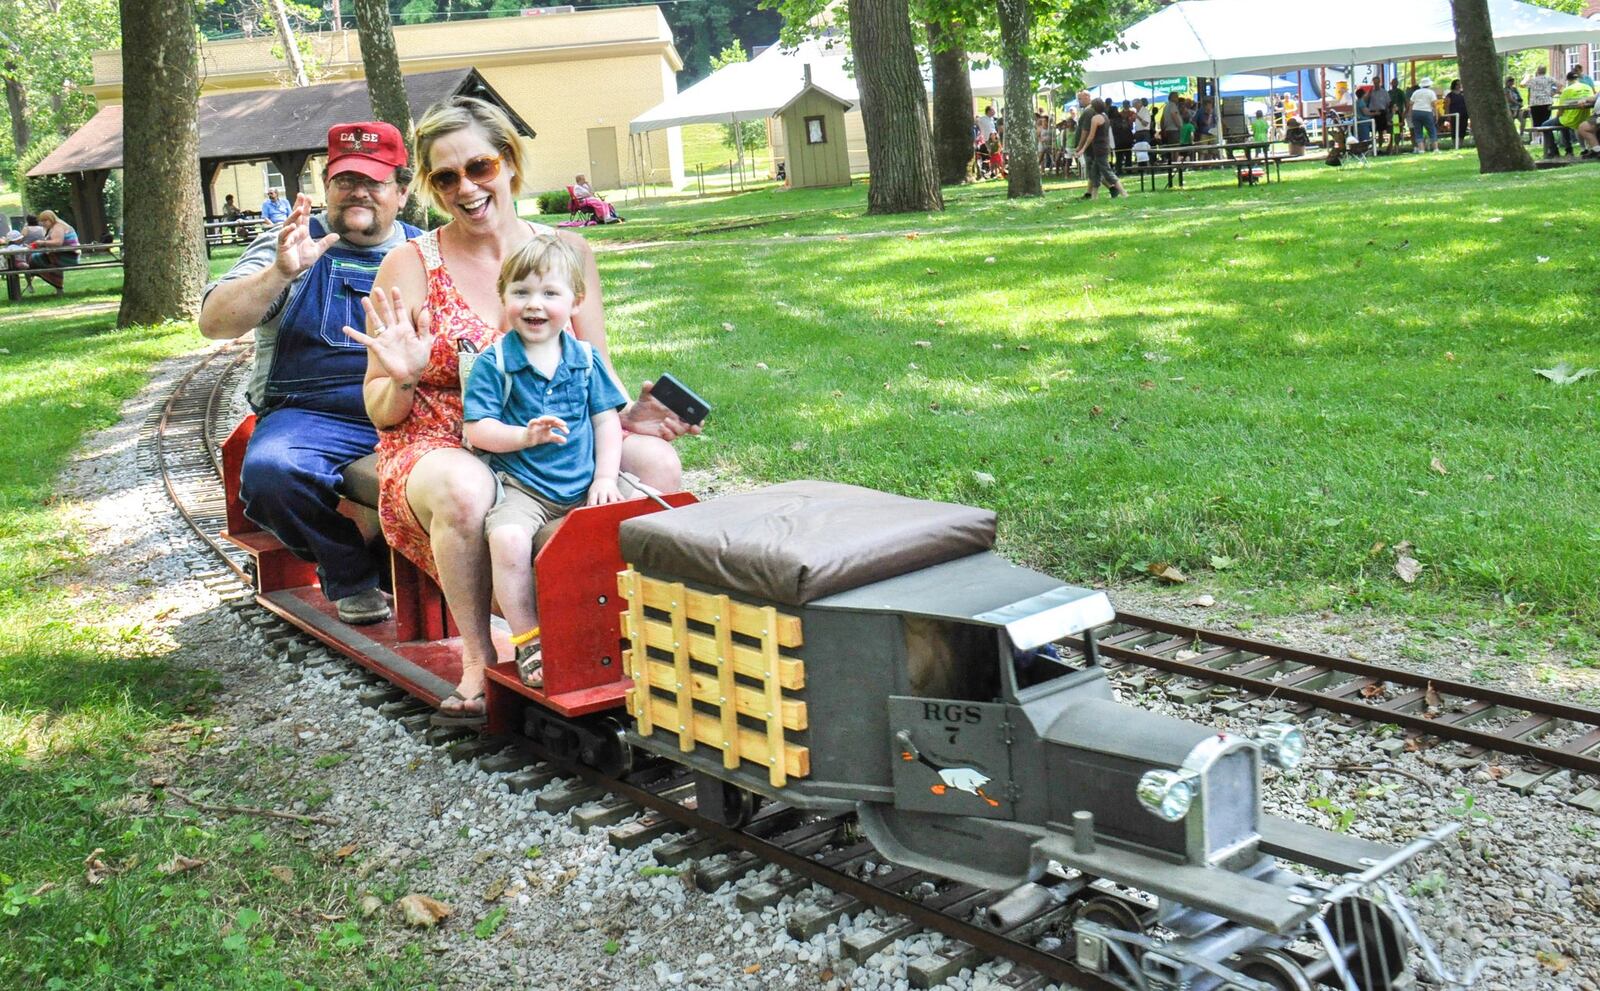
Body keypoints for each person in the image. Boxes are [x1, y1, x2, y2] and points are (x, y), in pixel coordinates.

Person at [345, 96, 693, 718]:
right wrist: (403, 378)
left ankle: (640, 633)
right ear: (428, 185)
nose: (466, 188)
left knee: (657, 464)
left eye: (479, 167)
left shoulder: (566, 253)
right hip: (441, 440)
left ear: (508, 161)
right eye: (445, 177)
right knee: (466, 488)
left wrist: (629, 415)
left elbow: (594, 365)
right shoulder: (409, 264)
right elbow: (380, 410)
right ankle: (482, 658)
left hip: (553, 435)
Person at [200, 121, 422, 625]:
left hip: (411, 408)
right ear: (328, 186)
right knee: (269, 475)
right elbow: (214, 324)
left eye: (375, 181)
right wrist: (282, 271)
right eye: (346, 180)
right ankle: (351, 569)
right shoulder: (288, 245)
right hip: (315, 416)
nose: (358, 192)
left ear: (402, 192)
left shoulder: (427, 251)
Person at [458, 235, 628, 687]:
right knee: (509, 540)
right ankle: (528, 638)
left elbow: (606, 422)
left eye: (550, 293)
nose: (535, 305)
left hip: (585, 482)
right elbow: (478, 429)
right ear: (503, 297)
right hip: (524, 488)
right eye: (521, 292)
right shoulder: (494, 363)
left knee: (638, 526)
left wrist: (606, 476)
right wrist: (524, 435)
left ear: (576, 301)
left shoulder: (585, 360)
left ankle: (634, 625)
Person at [1074, 94, 1125, 201]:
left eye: (1081, 98)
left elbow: (1089, 135)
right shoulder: (1105, 117)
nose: (1079, 101)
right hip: (1103, 147)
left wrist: (1081, 148)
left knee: (1106, 171)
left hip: (1098, 148)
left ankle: (1123, 193)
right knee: (1095, 172)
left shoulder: (1094, 118)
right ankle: (1093, 196)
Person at [29, 210, 79, 294]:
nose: (43, 223)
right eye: (42, 221)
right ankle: (58, 286)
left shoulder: (58, 226)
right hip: (63, 254)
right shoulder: (55, 227)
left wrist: (42, 243)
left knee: (33, 260)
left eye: (45, 220)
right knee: (35, 259)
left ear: (51, 219)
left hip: (68, 256)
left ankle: (58, 285)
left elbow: (57, 242)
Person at [1553, 67, 1594, 158]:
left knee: (1547, 125)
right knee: (1573, 125)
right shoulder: (1588, 87)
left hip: (1571, 118)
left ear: (1568, 80)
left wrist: (1557, 117)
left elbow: (1561, 108)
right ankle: (1583, 148)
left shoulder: (1567, 90)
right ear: (1577, 78)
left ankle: (1556, 151)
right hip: (1586, 116)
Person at [1527, 66, 1558, 154]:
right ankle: (1545, 140)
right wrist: (1552, 93)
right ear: (1545, 71)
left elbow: (1523, 84)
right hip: (1547, 102)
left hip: (1535, 103)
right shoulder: (1550, 79)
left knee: (1536, 121)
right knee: (1546, 121)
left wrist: (1526, 77)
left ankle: (1537, 140)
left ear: (1537, 71)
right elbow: (1558, 86)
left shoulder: (1533, 80)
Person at [1410, 77, 1439, 153]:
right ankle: (1435, 148)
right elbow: (1434, 104)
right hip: (1427, 112)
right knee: (1431, 130)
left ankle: (1421, 149)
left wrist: (1411, 114)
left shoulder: (1416, 92)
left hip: (1416, 111)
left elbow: (1411, 103)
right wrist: (1436, 114)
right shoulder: (1431, 92)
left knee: (1418, 131)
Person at [1366, 82, 1391, 152]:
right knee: (1373, 130)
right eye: (1374, 82)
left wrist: (1386, 112)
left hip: (1381, 112)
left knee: (1380, 131)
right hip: (1372, 112)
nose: (1376, 84)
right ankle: (1373, 147)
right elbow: (1366, 101)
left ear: (1379, 82)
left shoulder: (1384, 92)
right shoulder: (1371, 92)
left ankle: (1380, 147)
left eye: (1377, 82)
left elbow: (1388, 102)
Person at [1387, 78, 1407, 152]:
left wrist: (1404, 113)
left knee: (1398, 132)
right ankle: (1390, 146)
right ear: (1391, 83)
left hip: (1399, 113)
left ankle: (1397, 146)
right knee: (1391, 132)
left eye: (1396, 82)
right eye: (1393, 82)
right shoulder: (1389, 93)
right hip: (1390, 114)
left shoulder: (1400, 92)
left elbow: (1406, 102)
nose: (1394, 84)